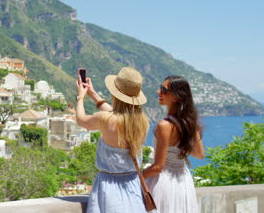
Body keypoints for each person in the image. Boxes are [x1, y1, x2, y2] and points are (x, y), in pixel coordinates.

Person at [76, 67, 150, 213]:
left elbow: (81, 120)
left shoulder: (105, 119)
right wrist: (94, 95)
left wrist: (81, 97)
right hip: (132, 186)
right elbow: (120, 116)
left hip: (108, 187)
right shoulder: (142, 123)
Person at [143, 75, 205, 213]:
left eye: (164, 90)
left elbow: (158, 167)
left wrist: (138, 177)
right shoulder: (189, 123)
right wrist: (181, 146)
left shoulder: (164, 125)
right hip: (183, 183)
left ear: (176, 97)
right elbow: (200, 154)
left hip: (164, 183)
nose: (159, 92)